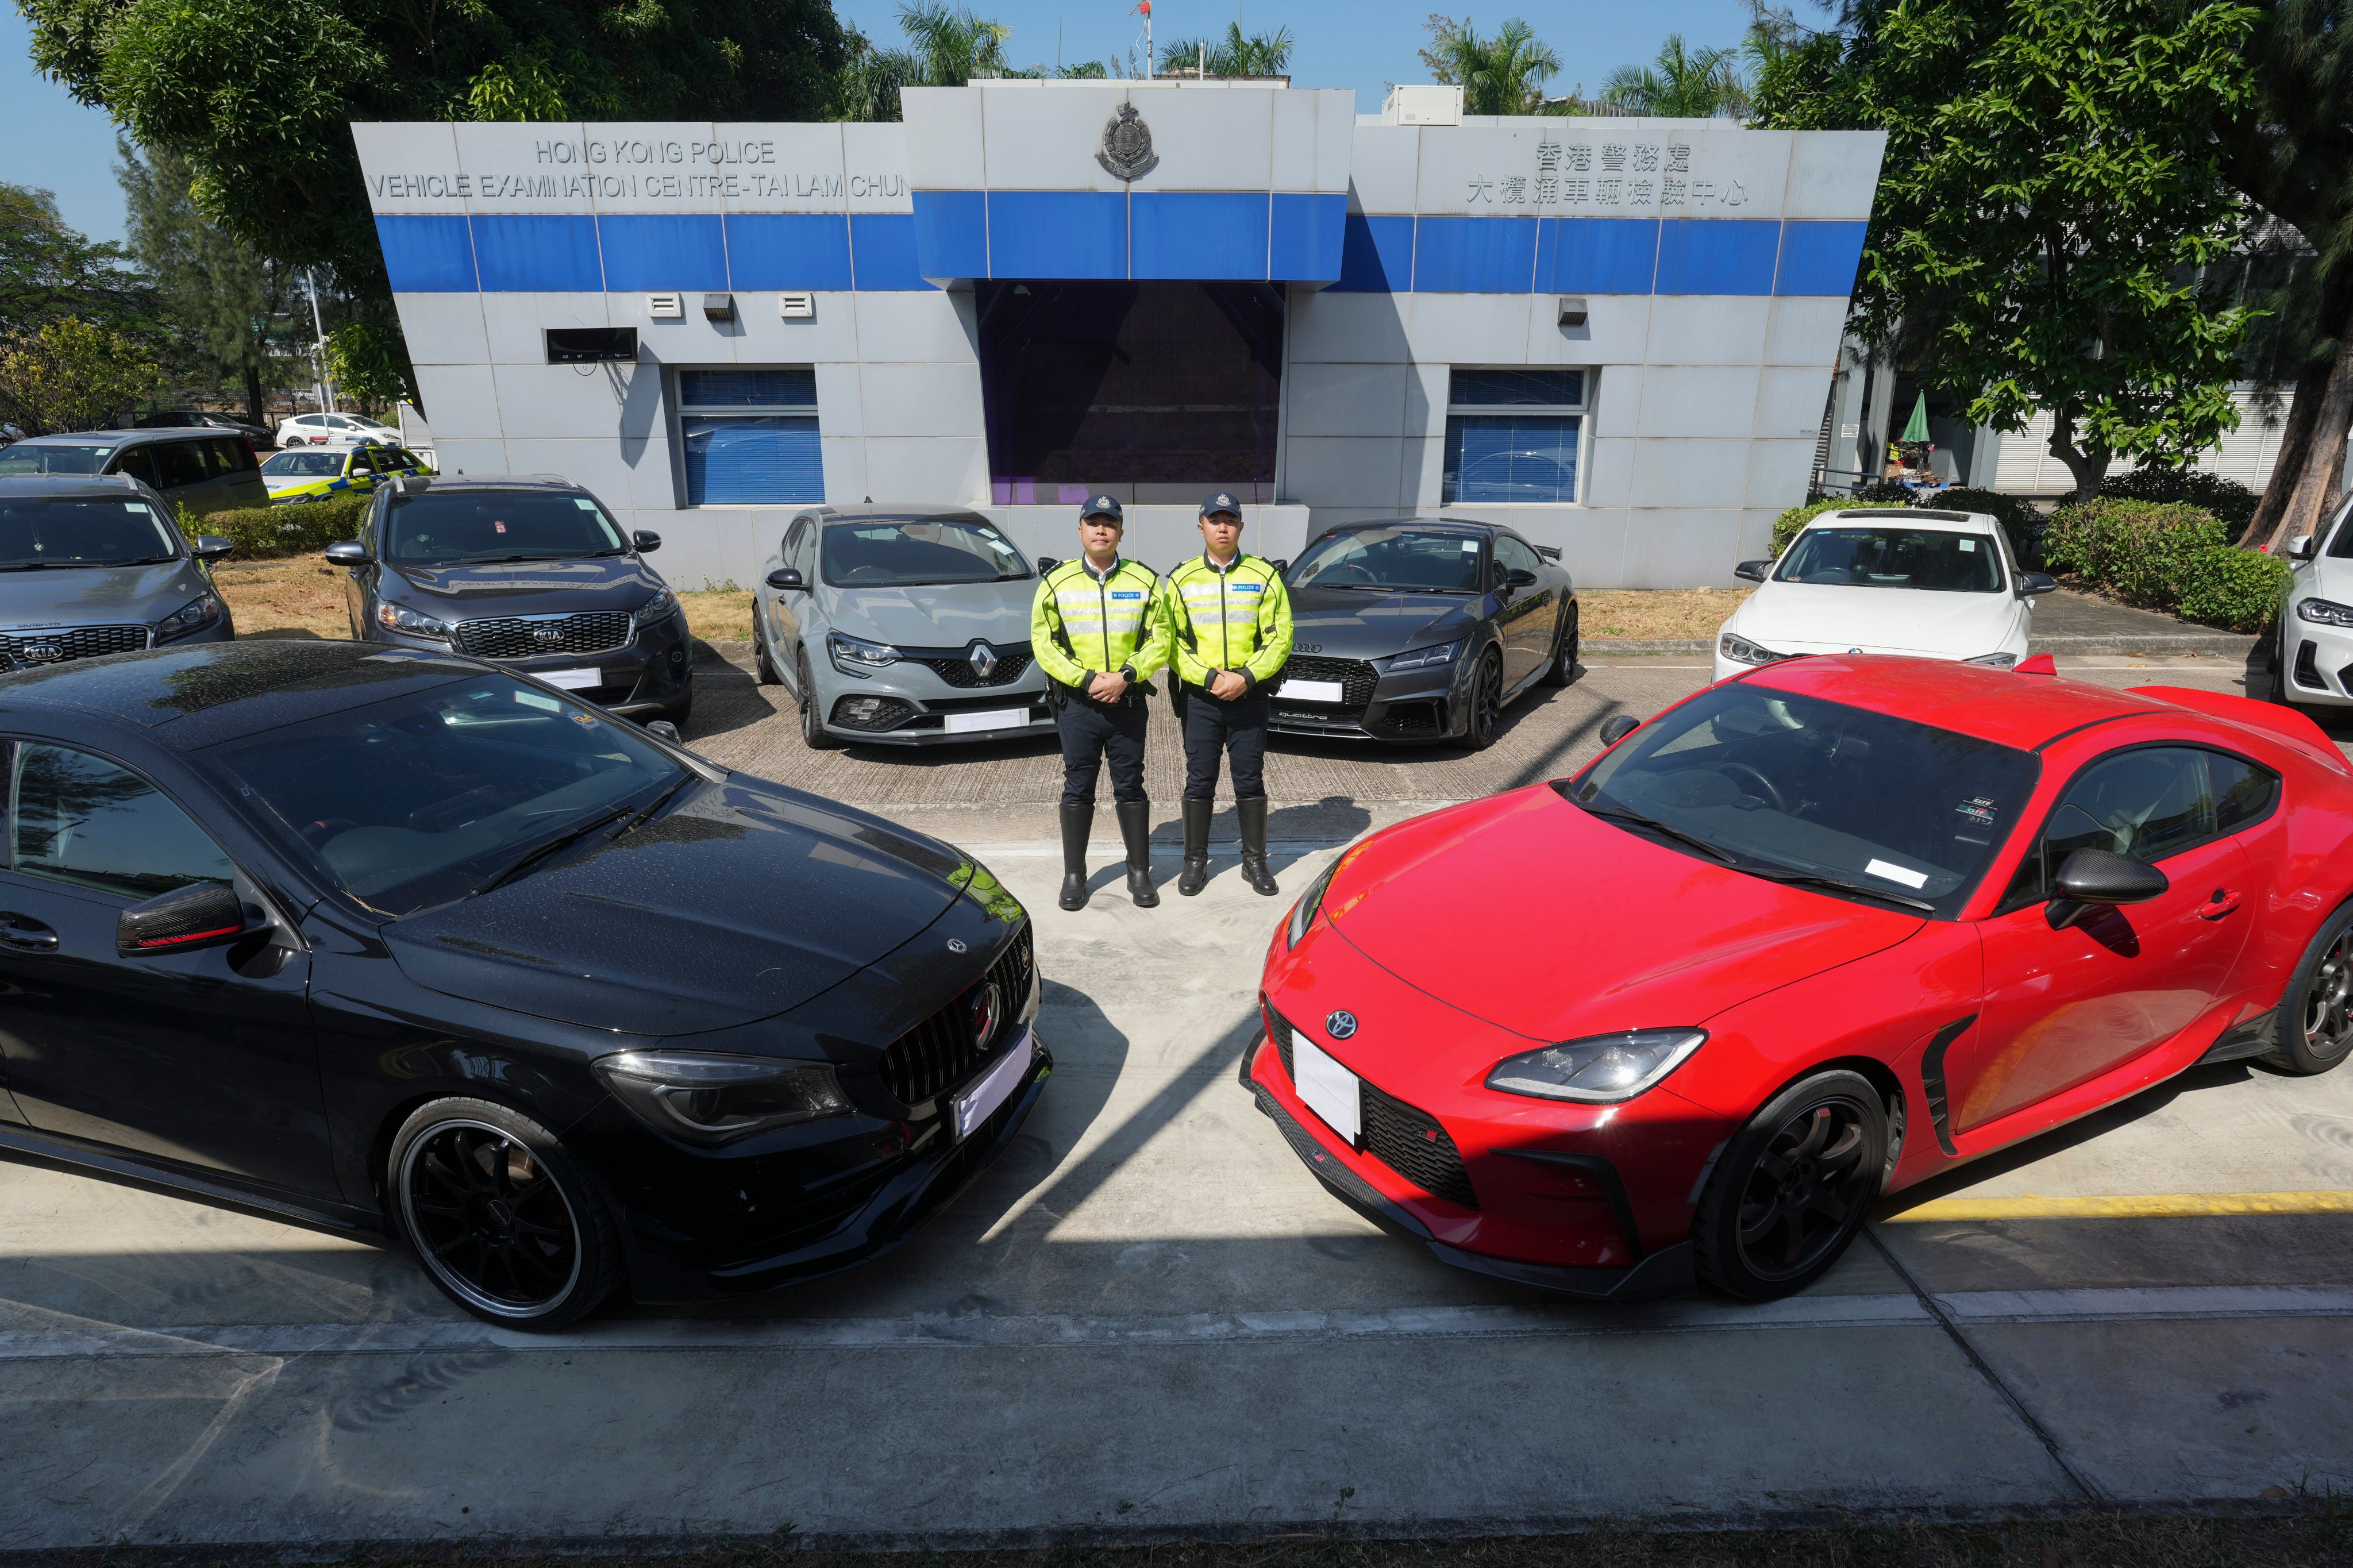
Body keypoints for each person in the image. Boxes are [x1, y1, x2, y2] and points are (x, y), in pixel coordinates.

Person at [1030, 494, 1171, 912]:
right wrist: (1088, 679)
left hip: (1126, 704)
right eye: (1093, 522)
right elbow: (1043, 641)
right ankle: (1074, 875)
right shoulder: (1056, 583)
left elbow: (1160, 639)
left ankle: (1139, 870)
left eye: (1109, 523)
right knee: (1078, 787)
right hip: (1078, 704)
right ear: (1080, 530)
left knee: (1130, 786)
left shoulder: (1144, 582)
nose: (1101, 529)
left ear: (1120, 532)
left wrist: (1125, 676)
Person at [1161, 492, 1293, 897]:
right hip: (1202, 697)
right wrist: (1206, 678)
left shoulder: (1265, 576)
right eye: (1214, 520)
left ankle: (1255, 861)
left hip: (1248, 694)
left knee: (1249, 780)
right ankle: (1195, 862)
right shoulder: (1181, 579)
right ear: (1200, 525)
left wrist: (1248, 677)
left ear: (1240, 526)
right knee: (1199, 780)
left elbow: (1281, 635)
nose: (1222, 527)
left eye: (1229, 520)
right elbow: (1171, 641)